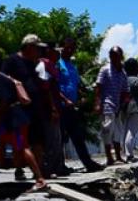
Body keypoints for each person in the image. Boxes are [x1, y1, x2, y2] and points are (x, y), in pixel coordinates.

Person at [0, 51, 45, 189]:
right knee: (1, 147)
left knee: (22, 146)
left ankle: (40, 178)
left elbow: (5, 100)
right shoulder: (5, 76)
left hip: (12, 119)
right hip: (13, 117)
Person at [2, 35, 45, 181]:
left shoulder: (34, 63)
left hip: (35, 107)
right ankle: (19, 168)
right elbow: (3, 78)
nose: (39, 51)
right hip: (20, 108)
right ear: (28, 47)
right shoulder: (12, 60)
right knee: (20, 141)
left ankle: (38, 170)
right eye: (37, 48)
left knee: (37, 140)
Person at [57, 37, 102, 172]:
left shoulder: (72, 66)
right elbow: (54, 86)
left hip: (72, 107)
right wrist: (65, 100)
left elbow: (76, 85)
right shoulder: (57, 64)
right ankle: (60, 165)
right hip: (61, 106)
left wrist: (82, 96)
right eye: (67, 47)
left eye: (72, 48)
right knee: (60, 138)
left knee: (77, 136)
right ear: (62, 48)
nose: (70, 50)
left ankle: (88, 163)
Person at [94, 46, 127, 165]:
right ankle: (109, 157)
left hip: (117, 106)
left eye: (116, 56)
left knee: (118, 132)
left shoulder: (122, 72)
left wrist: (122, 105)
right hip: (107, 104)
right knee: (107, 131)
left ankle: (118, 156)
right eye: (112, 56)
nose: (114, 58)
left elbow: (125, 90)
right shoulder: (105, 70)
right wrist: (98, 103)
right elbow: (98, 86)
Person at [37, 44, 65, 176]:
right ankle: (48, 169)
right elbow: (46, 87)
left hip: (53, 107)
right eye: (55, 50)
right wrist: (53, 108)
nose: (58, 53)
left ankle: (57, 168)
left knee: (56, 139)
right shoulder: (44, 64)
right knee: (51, 139)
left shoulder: (52, 65)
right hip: (48, 109)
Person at [122, 58, 138, 163]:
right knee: (131, 132)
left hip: (125, 108)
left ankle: (124, 153)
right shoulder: (136, 80)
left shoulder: (124, 79)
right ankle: (129, 155)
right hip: (136, 108)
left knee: (125, 131)